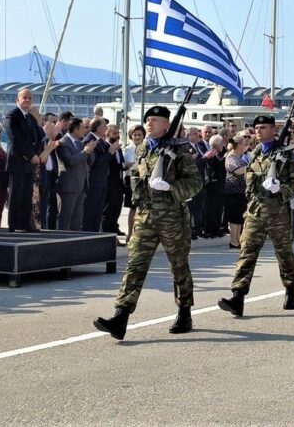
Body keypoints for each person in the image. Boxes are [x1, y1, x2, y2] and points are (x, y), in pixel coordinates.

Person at [93, 106, 202, 340]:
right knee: (135, 265)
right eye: (148, 120)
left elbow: (195, 183)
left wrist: (171, 188)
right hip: (145, 216)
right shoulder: (142, 149)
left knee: (179, 266)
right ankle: (120, 316)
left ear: (167, 124)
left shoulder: (180, 151)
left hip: (172, 216)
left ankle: (184, 312)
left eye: (155, 120)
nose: (149, 123)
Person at [218, 114, 294, 317]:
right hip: (255, 212)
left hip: (278, 213)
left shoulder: (286, 155)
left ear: (274, 130)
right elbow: (249, 182)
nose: (258, 131)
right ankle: (238, 296)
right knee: (246, 253)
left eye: (263, 127)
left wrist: (281, 189)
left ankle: (290, 289)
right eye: (256, 128)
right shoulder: (254, 153)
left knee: (284, 254)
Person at [3, 88, 43, 233]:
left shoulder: (31, 118)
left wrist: (36, 154)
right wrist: (30, 155)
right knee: (16, 194)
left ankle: (25, 223)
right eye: (24, 97)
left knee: (27, 195)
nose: (27, 100)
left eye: (30, 98)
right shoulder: (12, 116)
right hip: (18, 161)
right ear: (17, 100)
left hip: (30, 162)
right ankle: (13, 224)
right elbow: (15, 138)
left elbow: (37, 139)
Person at [55, 118, 97, 231]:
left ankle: (75, 243)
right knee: (65, 217)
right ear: (76, 129)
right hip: (68, 186)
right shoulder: (63, 143)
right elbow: (70, 161)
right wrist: (85, 151)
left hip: (81, 185)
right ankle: (61, 243)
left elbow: (90, 161)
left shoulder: (80, 142)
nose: (85, 130)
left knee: (77, 219)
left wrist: (90, 150)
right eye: (83, 128)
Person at [224, 135, 250, 249]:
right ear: (238, 145)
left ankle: (238, 239)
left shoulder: (240, 157)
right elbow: (237, 171)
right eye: (244, 144)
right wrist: (251, 167)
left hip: (240, 191)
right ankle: (233, 241)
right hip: (232, 191)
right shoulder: (231, 157)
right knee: (234, 217)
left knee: (239, 217)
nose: (245, 146)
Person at [123, 125, 145, 240]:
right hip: (131, 179)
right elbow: (129, 164)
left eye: (139, 135)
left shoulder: (146, 148)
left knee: (142, 209)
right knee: (132, 208)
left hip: (143, 180)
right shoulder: (128, 149)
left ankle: (139, 233)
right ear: (131, 136)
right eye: (135, 134)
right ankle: (130, 233)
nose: (137, 137)